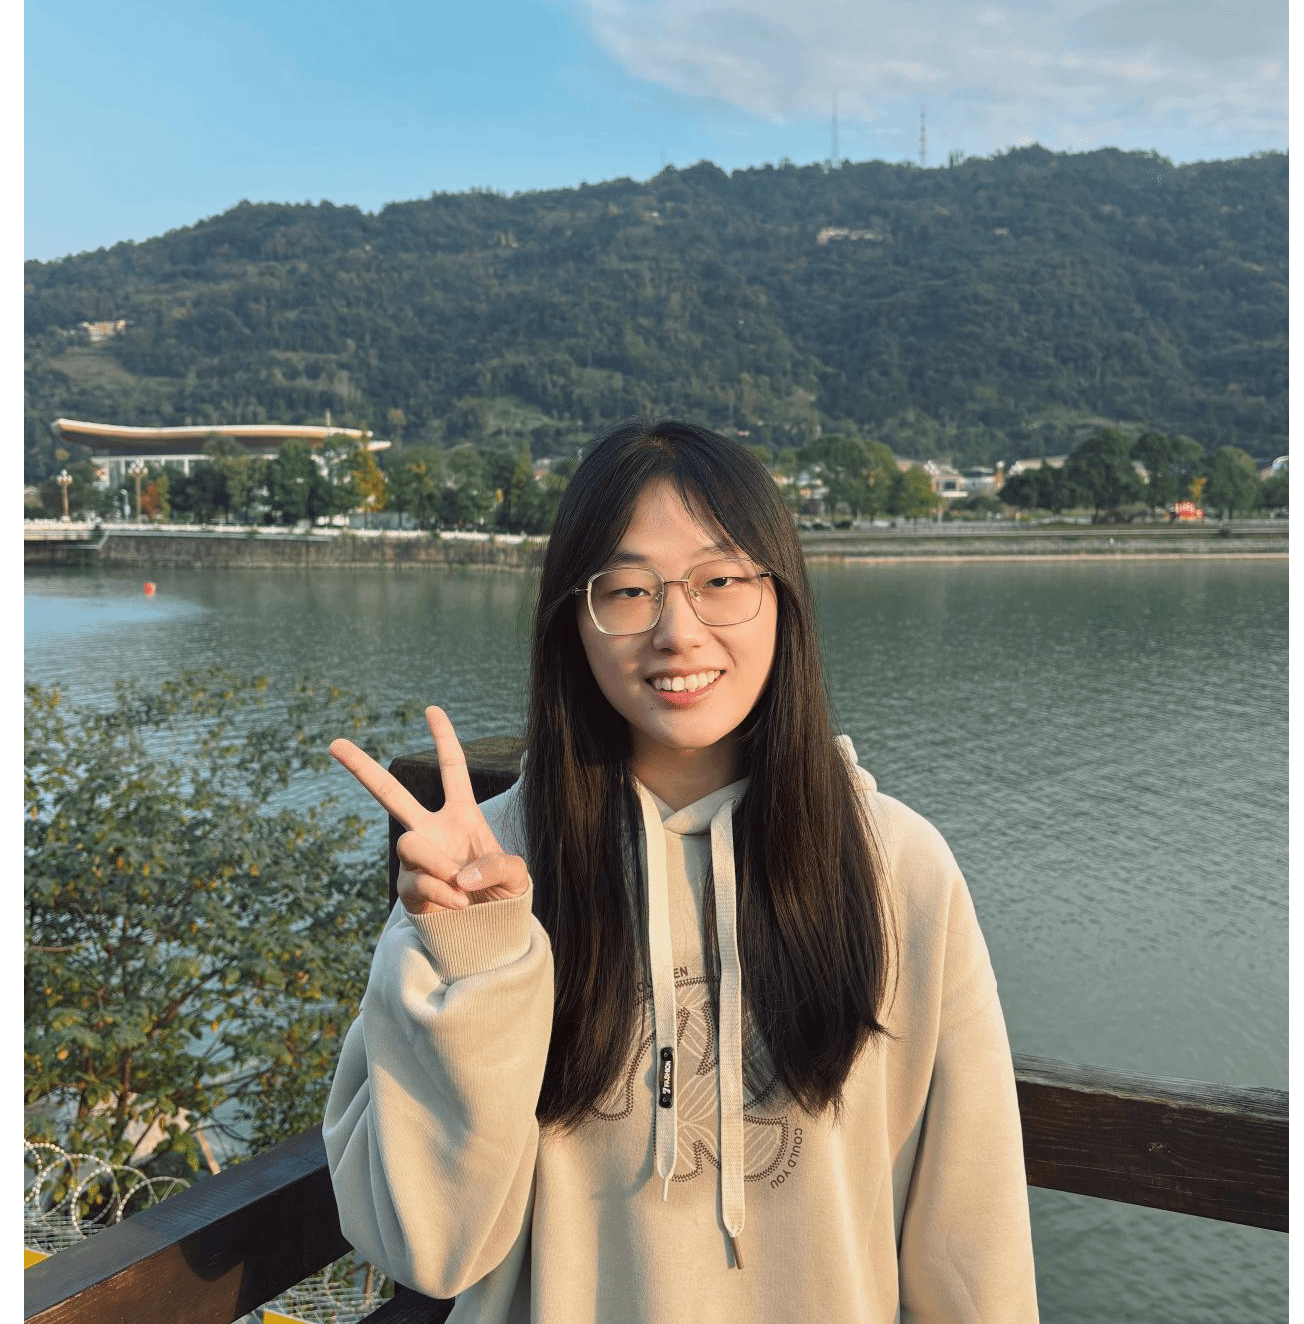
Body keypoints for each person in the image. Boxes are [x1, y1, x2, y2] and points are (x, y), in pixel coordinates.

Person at [323, 418, 1039, 1321]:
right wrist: (476, 959)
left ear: (781, 597)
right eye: (628, 590)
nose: (677, 631)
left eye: (721, 581)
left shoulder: (896, 867)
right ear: (573, 620)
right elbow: (425, 1249)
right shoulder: (482, 874)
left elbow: (972, 1243)